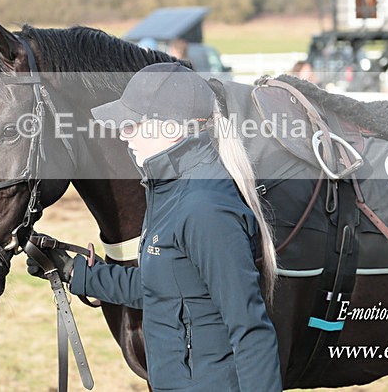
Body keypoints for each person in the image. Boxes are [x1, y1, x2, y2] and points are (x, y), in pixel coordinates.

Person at [30, 63, 282, 392]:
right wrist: (77, 273)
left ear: (172, 128)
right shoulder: (167, 191)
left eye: (134, 123)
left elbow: (250, 330)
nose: (124, 134)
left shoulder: (205, 208)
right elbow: (164, 288)